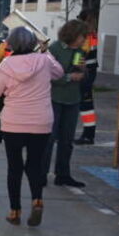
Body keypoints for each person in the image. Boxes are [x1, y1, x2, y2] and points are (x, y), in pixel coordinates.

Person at [0, 27, 63, 226]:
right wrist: (46, 52)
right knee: (35, 164)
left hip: (13, 123)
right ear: (33, 43)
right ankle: (37, 199)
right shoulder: (44, 61)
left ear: (10, 44)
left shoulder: (7, 65)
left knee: (14, 167)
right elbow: (59, 72)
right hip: (41, 122)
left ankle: (15, 211)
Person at [43, 19, 89, 187]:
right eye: (82, 36)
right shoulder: (54, 49)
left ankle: (63, 174)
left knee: (67, 140)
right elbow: (48, 74)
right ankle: (41, 174)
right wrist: (69, 77)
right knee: (49, 138)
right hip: (55, 98)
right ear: (73, 35)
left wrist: (83, 70)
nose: (84, 40)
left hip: (73, 99)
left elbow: (83, 76)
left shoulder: (80, 52)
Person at [74, 13, 100, 145]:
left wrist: (74, 65)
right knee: (87, 104)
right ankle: (89, 134)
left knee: (85, 105)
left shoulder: (86, 35)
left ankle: (88, 135)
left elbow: (81, 53)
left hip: (86, 72)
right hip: (91, 70)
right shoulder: (93, 33)